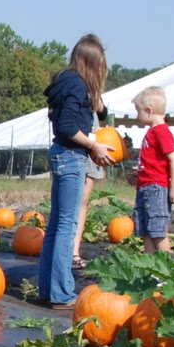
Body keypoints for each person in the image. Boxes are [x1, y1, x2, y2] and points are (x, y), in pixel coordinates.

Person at [37, 35, 113, 309]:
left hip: (61, 155)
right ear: (94, 62)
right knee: (67, 227)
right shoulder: (78, 86)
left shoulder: (67, 82)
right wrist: (95, 145)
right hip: (71, 157)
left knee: (57, 225)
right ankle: (61, 293)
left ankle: (48, 289)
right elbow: (68, 126)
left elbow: (99, 113)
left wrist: (98, 101)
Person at [131, 87, 174, 253]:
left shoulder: (162, 132)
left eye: (138, 112)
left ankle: (166, 269)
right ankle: (150, 269)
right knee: (145, 230)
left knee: (157, 230)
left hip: (157, 188)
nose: (137, 116)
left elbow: (173, 159)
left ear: (149, 111)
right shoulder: (151, 132)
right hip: (145, 186)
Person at [72, 111, 107, 273]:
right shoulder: (75, 89)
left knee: (82, 202)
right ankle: (68, 252)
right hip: (78, 145)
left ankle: (73, 251)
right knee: (73, 202)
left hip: (92, 141)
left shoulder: (93, 96)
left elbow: (102, 111)